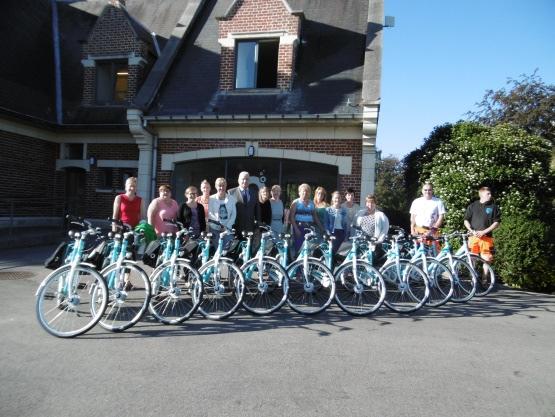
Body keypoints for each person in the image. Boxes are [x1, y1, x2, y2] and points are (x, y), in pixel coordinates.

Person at [463, 186, 500, 263]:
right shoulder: (472, 206)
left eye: (490, 194)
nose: (490, 195)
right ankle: (473, 275)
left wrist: (484, 232)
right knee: (472, 259)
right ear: (481, 195)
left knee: (487, 259)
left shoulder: (494, 207)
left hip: (487, 237)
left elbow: (496, 222)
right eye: (488, 194)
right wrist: (472, 231)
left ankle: (485, 275)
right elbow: (466, 220)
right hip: (473, 236)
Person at [354, 194, 390, 265]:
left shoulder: (380, 215)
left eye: (372, 202)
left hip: (373, 243)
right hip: (361, 242)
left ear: (375, 204)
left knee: (370, 263)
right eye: (368, 202)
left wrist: (379, 240)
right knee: (358, 262)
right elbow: (355, 225)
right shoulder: (360, 213)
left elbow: (385, 229)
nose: (370, 204)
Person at [289, 183, 324, 254]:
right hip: (299, 227)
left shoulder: (311, 203)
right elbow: (291, 217)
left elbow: (315, 217)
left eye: (307, 191)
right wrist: (296, 229)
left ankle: (306, 264)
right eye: (303, 191)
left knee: (308, 249)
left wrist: (322, 229)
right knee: (299, 248)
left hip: (309, 228)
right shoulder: (296, 202)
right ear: (299, 192)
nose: (305, 192)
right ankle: (298, 264)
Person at [228, 171, 258, 236]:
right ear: (238, 180)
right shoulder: (231, 193)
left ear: (249, 180)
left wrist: (257, 226)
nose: (245, 181)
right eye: (243, 179)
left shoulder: (254, 193)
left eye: (247, 179)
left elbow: (257, 210)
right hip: (235, 228)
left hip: (250, 228)